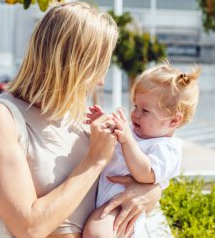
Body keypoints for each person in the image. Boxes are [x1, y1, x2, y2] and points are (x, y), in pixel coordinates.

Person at [0, 2, 161, 238]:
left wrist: (151, 192)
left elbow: (130, 181)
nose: (101, 81)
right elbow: (29, 227)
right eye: (97, 67)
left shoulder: (83, 120)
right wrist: (94, 160)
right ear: (73, 63)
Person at [82, 62, 201, 238]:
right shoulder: (135, 132)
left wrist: (127, 140)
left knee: (96, 231)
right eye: (135, 106)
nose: (135, 114)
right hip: (106, 200)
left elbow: (145, 174)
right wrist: (103, 121)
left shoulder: (167, 149)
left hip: (123, 209)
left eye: (145, 110)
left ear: (173, 121)